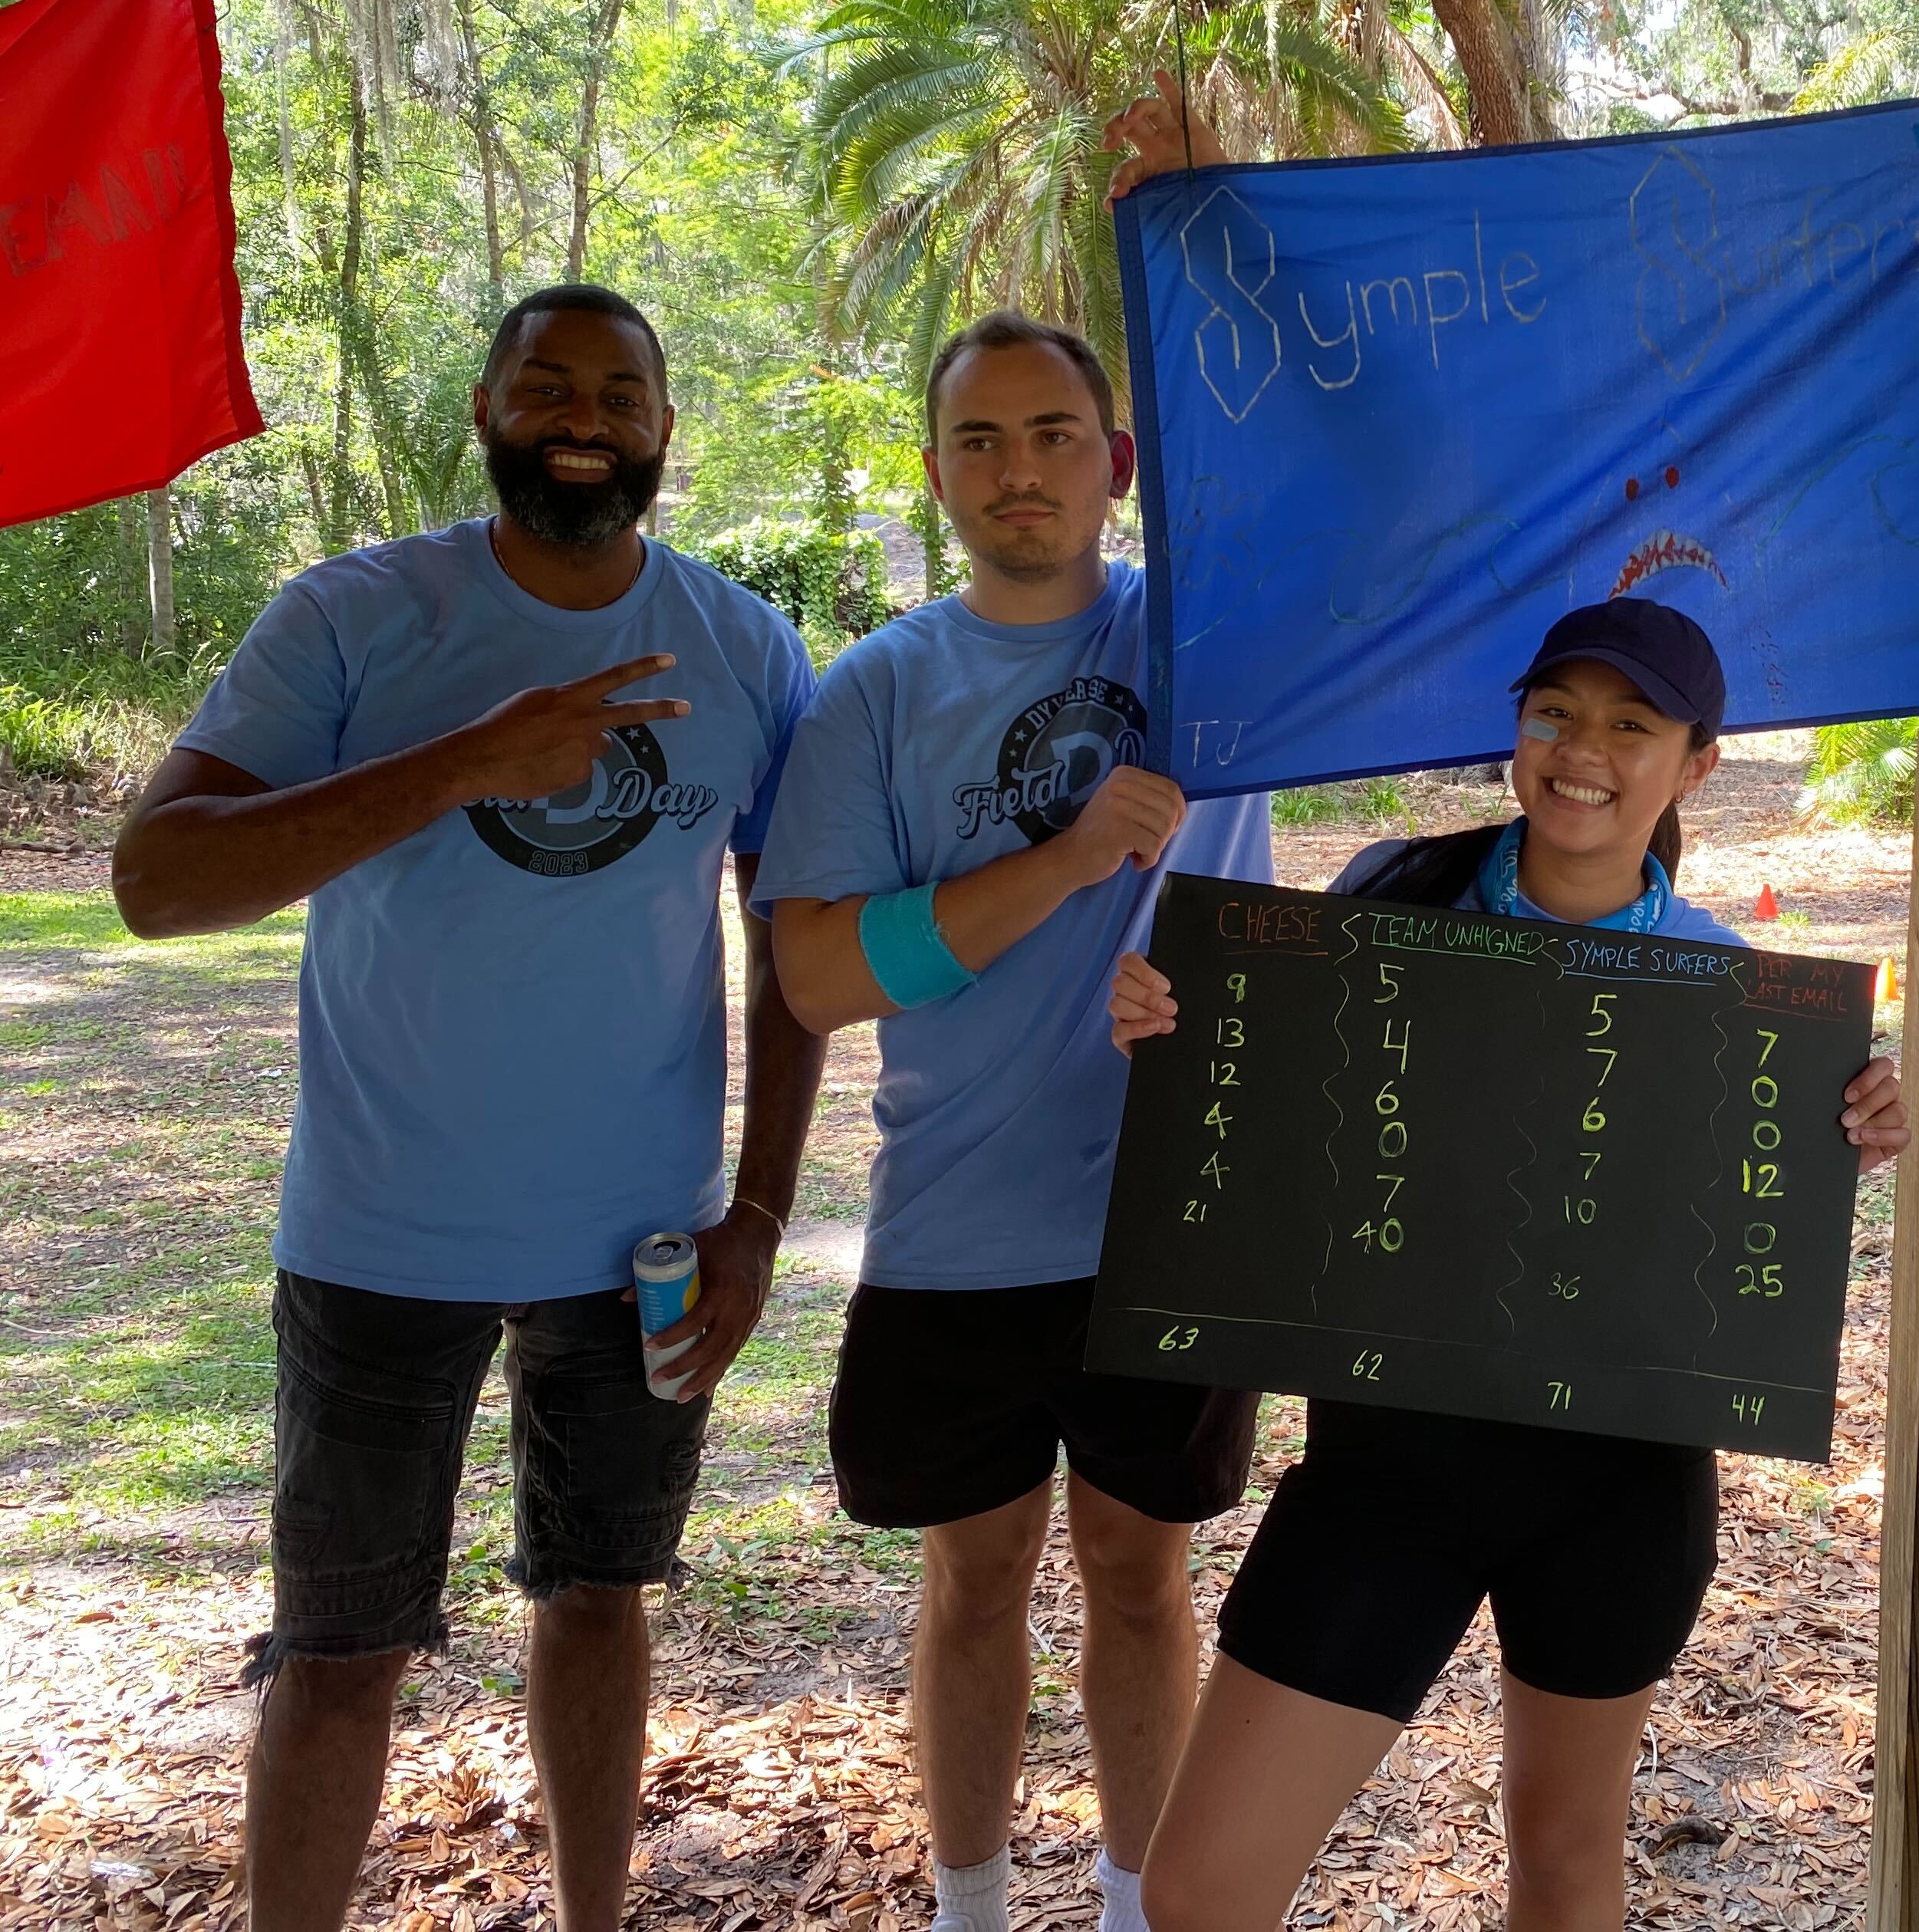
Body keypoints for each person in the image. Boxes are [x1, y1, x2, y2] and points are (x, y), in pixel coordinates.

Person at [107, 284, 831, 1932]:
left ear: (665, 428)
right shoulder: (357, 616)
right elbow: (158, 883)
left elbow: (789, 933)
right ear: (486, 412)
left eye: (621, 391)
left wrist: (762, 1211)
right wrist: (458, 762)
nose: (585, 415)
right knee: (339, 1648)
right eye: (545, 384)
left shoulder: (746, 645)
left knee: (600, 1600)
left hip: (639, 1235)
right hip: (381, 1230)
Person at [1104, 597, 1912, 1932]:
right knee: (1199, 1889)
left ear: (1695, 764)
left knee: (1565, 1856)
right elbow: (1284, 1129)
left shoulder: (1740, 1000)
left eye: (1631, 725)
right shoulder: (1390, 900)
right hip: (1385, 1470)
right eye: (1556, 715)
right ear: (1518, 731)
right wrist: (1180, 1035)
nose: (1583, 749)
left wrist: (1852, 1132)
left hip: (1617, 1485)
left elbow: (1752, 1233)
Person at [752, 308, 1272, 1932]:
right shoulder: (875, 692)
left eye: (1054, 435)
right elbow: (823, 974)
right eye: (979, 440)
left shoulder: (1219, 642)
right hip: (955, 1225)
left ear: (1118, 466)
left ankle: (1136, 1908)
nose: (1018, 470)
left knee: (1141, 1577)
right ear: (935, 474)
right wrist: (1062, 861)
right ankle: (969, 1909)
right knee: (973, 1586)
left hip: (1168, 1218)